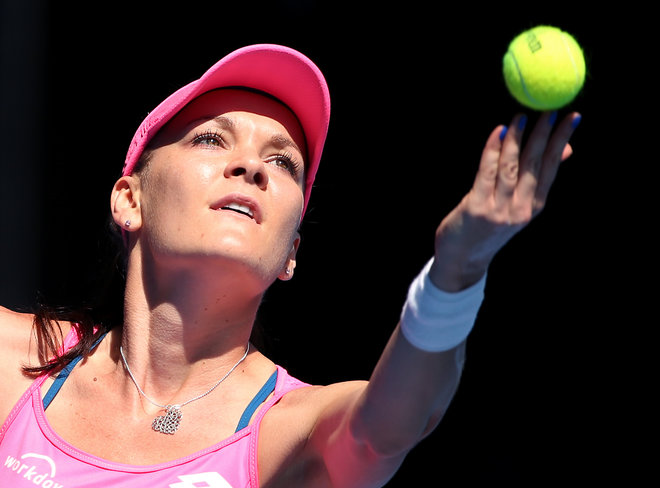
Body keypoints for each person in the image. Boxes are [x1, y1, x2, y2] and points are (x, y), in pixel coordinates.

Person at [0, 44, 580, 487]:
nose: (252, 167)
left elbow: (385, 430)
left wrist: (458, 272)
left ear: (291, 253)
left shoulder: (288, 429)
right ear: (131, 199)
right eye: (211, 140)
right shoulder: (17, 366)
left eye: (283, 162)